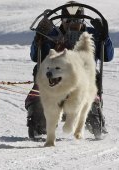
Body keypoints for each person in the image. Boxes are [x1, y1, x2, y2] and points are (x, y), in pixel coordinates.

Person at [25, 1, 114, 140]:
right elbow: (35, 56)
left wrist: (105, 37)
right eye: (67, 20)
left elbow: (107, 57)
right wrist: (39, 38)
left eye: (76, 20)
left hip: (83, 82)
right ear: (62, 20)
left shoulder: (91, 35)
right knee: (38, 98)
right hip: (53, 82)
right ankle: (39, 123)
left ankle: (95, 119)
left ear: (82, 20)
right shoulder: (52, 34)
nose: (71, 24)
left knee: (90, 96)